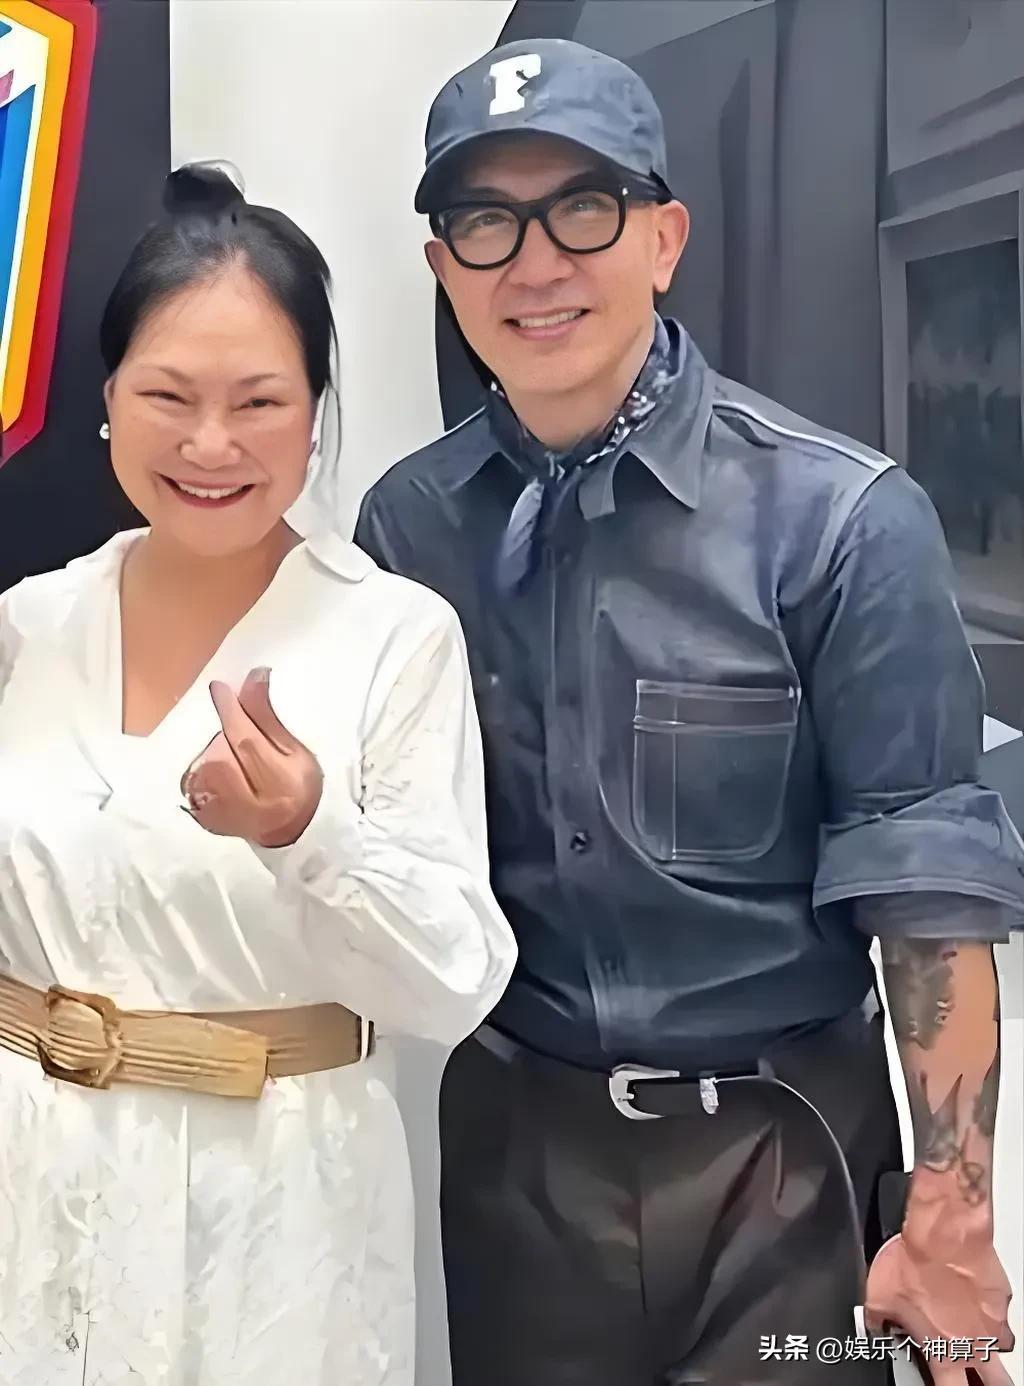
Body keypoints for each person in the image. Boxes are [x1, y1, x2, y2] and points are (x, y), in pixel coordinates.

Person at [355, 38, 1021, 1386]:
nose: (534, 264)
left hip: (787, 1163)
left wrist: (950, 1210)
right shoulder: (407, 530)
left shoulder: (840, 519)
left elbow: (926, 896)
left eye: (582, 209)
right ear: (442, 267)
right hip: (521, 1161)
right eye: (485, 222)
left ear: (664, 239)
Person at [0, 162, 516, 1385]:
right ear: (108, 401)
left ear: (317, 411)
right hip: (31, 1191)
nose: (210, 444)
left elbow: (453, 984)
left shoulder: (391, 637)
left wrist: (309, 832)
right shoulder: (29, 625)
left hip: (275, 1229)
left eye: (259, 402)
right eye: (167, 396)